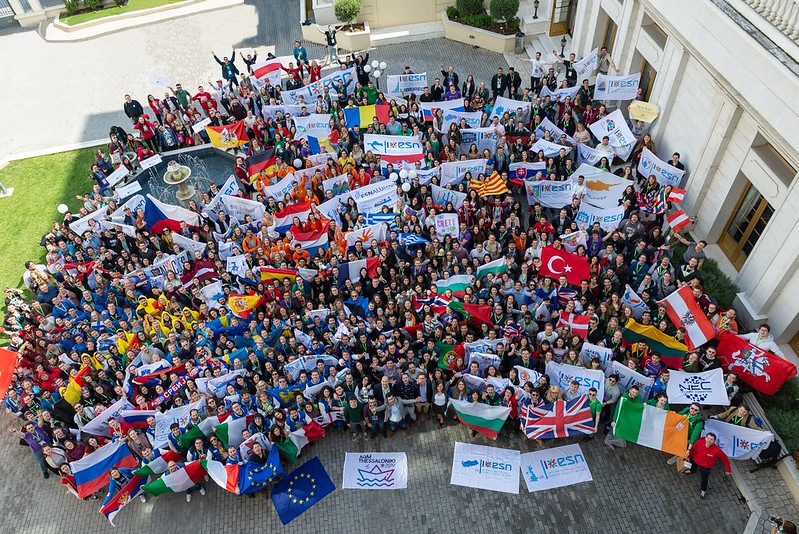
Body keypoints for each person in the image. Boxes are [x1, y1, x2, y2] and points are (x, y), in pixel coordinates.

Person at [686, 432, 731, 499]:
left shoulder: (717, 451)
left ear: (714, 441)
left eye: (711, 439)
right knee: (692, 467)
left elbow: (725, 459)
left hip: (705, 467)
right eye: (708, 438)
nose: (709, 440)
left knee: (704, 479)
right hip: (695, 460)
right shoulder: (699, 442)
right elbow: (694, 450)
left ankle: (703, 491)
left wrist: (728, 469)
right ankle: (692, 471)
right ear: (705, 438)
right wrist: (688, 456)